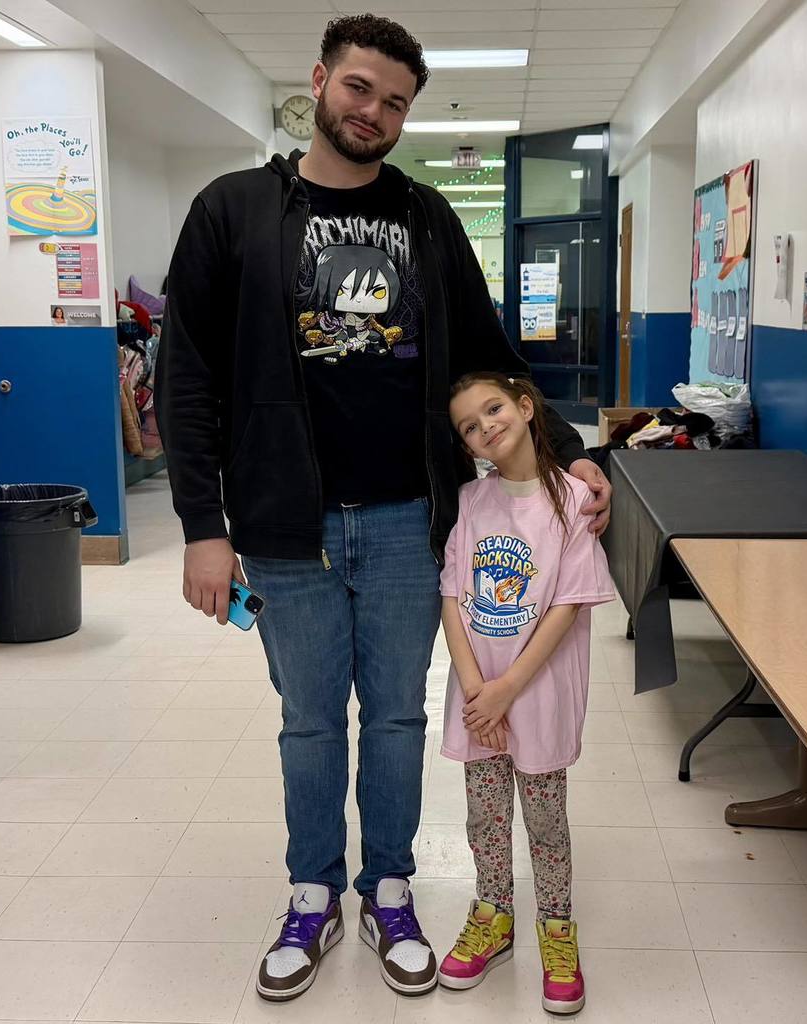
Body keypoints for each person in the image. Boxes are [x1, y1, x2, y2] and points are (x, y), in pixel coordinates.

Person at [155, 13, 612, 1003]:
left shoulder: (428, 219)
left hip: (414, 520)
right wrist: (202, 524)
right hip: (284, 526)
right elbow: (185, 373)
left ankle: (391, 885)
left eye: (396, 101)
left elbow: (490, 351)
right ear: (319, 81)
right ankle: (311, 893)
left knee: (399, 716)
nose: (375, 112)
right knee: (311, 721)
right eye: (360, 88)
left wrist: (569, 457)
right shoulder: (234, 210)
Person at [436, 373, 615, 1015]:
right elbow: (453, 597)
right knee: (484, 818)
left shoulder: (573, 501)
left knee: (544, 821)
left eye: (493, 409)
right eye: (468, 425)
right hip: (480, 702)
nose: (485, 426)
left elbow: (567, 606)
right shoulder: (468, 502)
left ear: (525, 406)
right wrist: (478, 692)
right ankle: (494, 913)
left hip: (533, 696)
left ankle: (556, 926)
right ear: (467, 446)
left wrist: (509, 688)